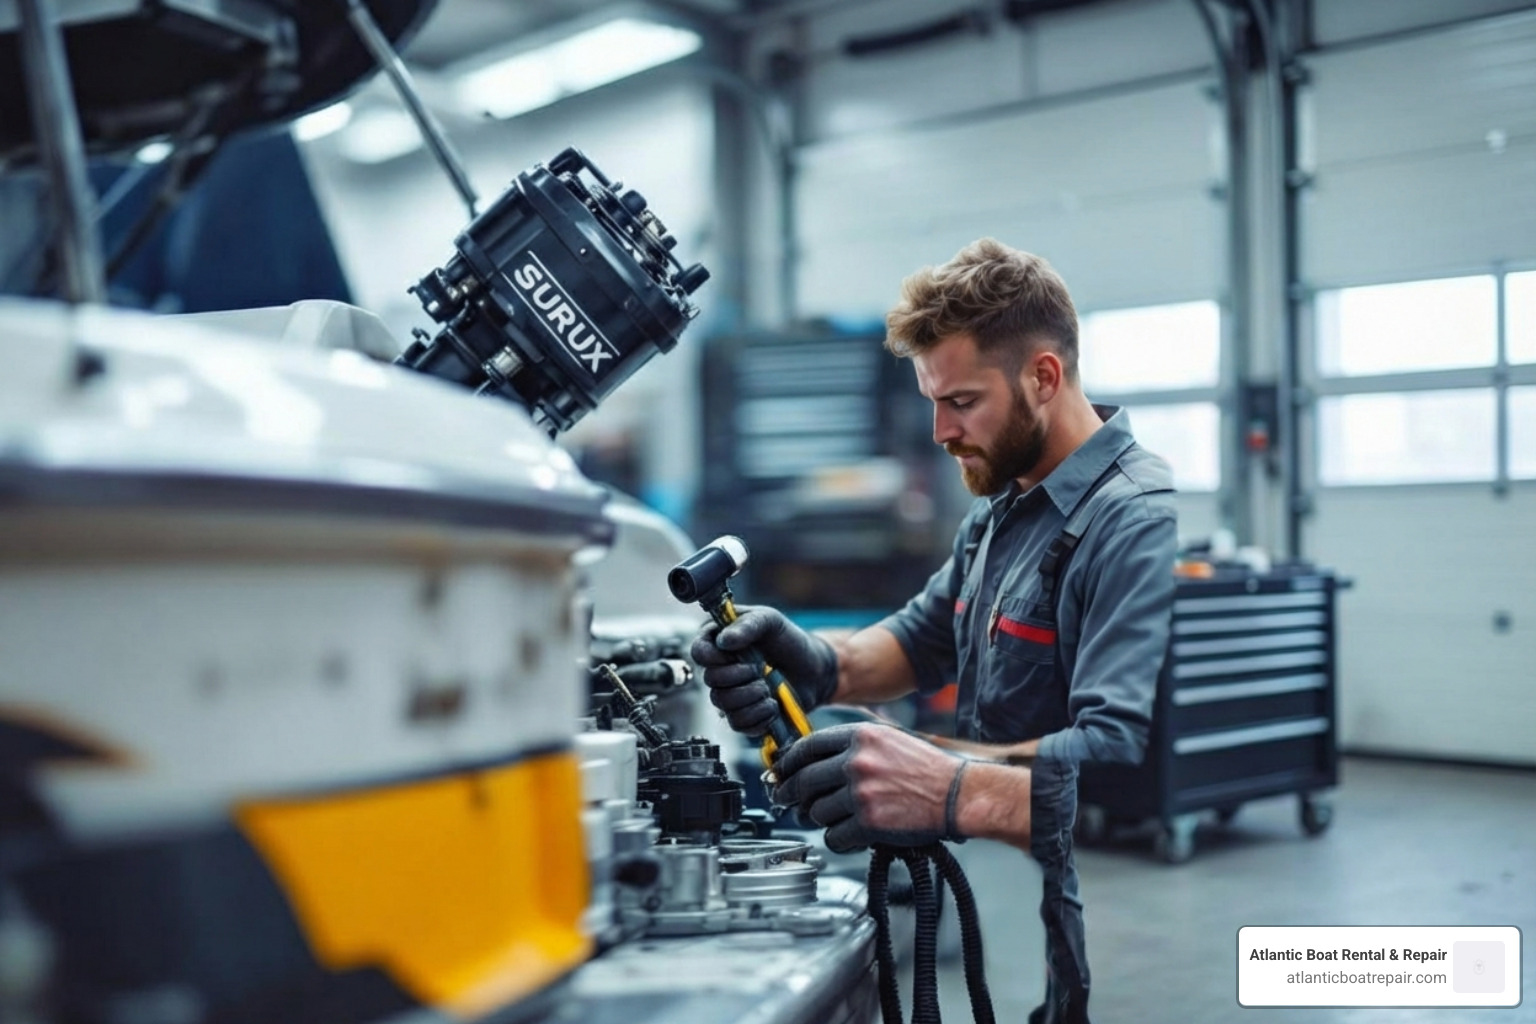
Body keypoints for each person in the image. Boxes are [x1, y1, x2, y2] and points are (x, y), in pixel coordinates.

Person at [692, 238, 1178, 1024]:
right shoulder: (1004, 507)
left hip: (1108, 935)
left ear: (1043, 377)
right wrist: (817, 662)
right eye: (932, 401)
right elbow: (923, 640)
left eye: (962, 401)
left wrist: (945, 787)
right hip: (1016, 925)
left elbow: (1121, 766)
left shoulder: (1134, 521)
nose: (940, 431)